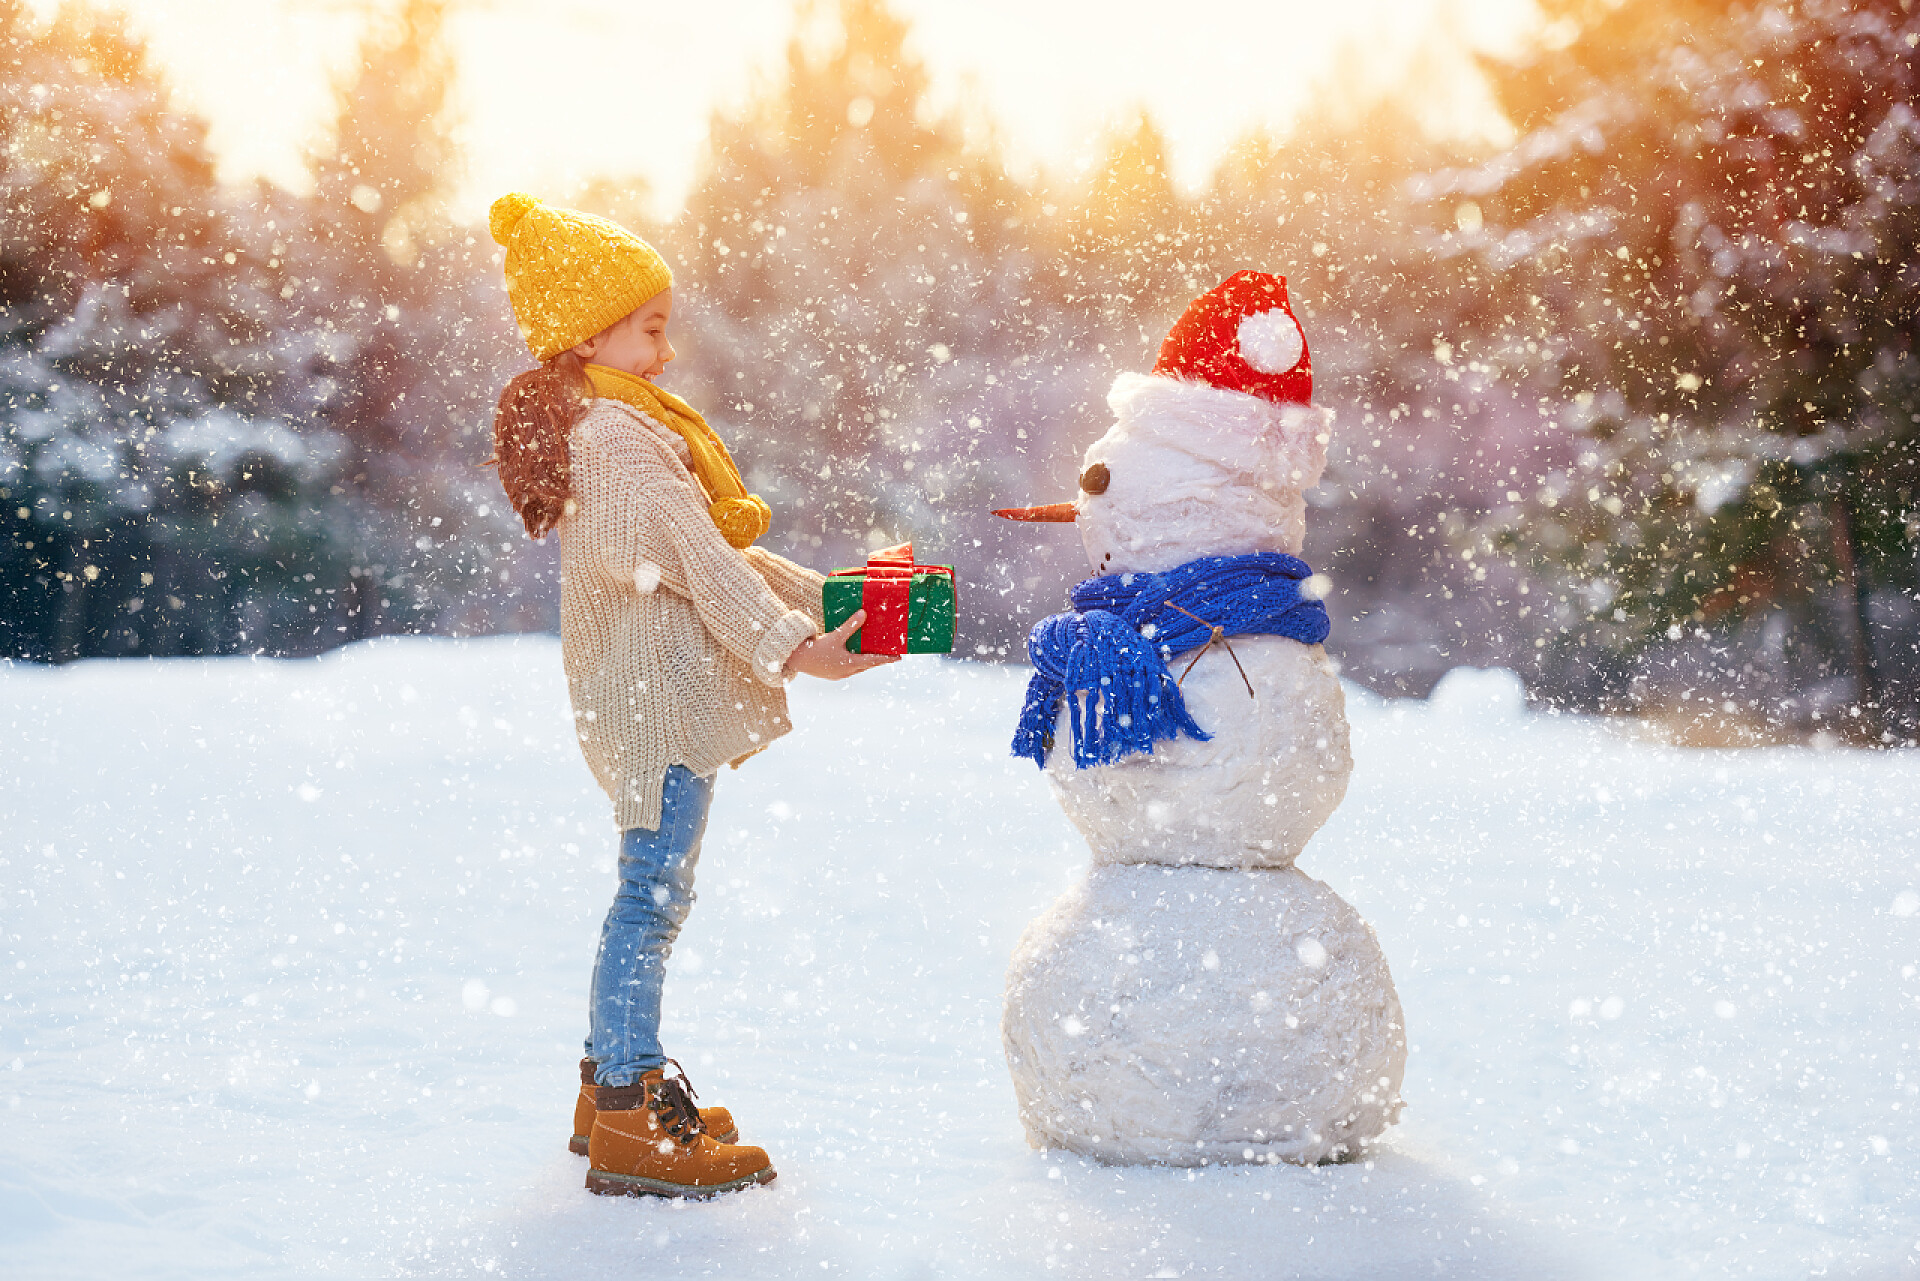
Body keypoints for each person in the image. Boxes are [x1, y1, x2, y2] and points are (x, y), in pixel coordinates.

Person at [484, 193, 896, 1199]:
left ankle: (605, 1094)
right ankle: (628, 1111)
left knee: (646, 895)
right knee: (650, 902)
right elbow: (706, 568)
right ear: (592, 333)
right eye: (652, 329)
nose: (667, 353)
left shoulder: (615, 427)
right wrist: (804, 651)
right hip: (652, 703)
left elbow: (721, 555)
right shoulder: (620, 441)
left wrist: (831, 599)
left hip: (640, 696)